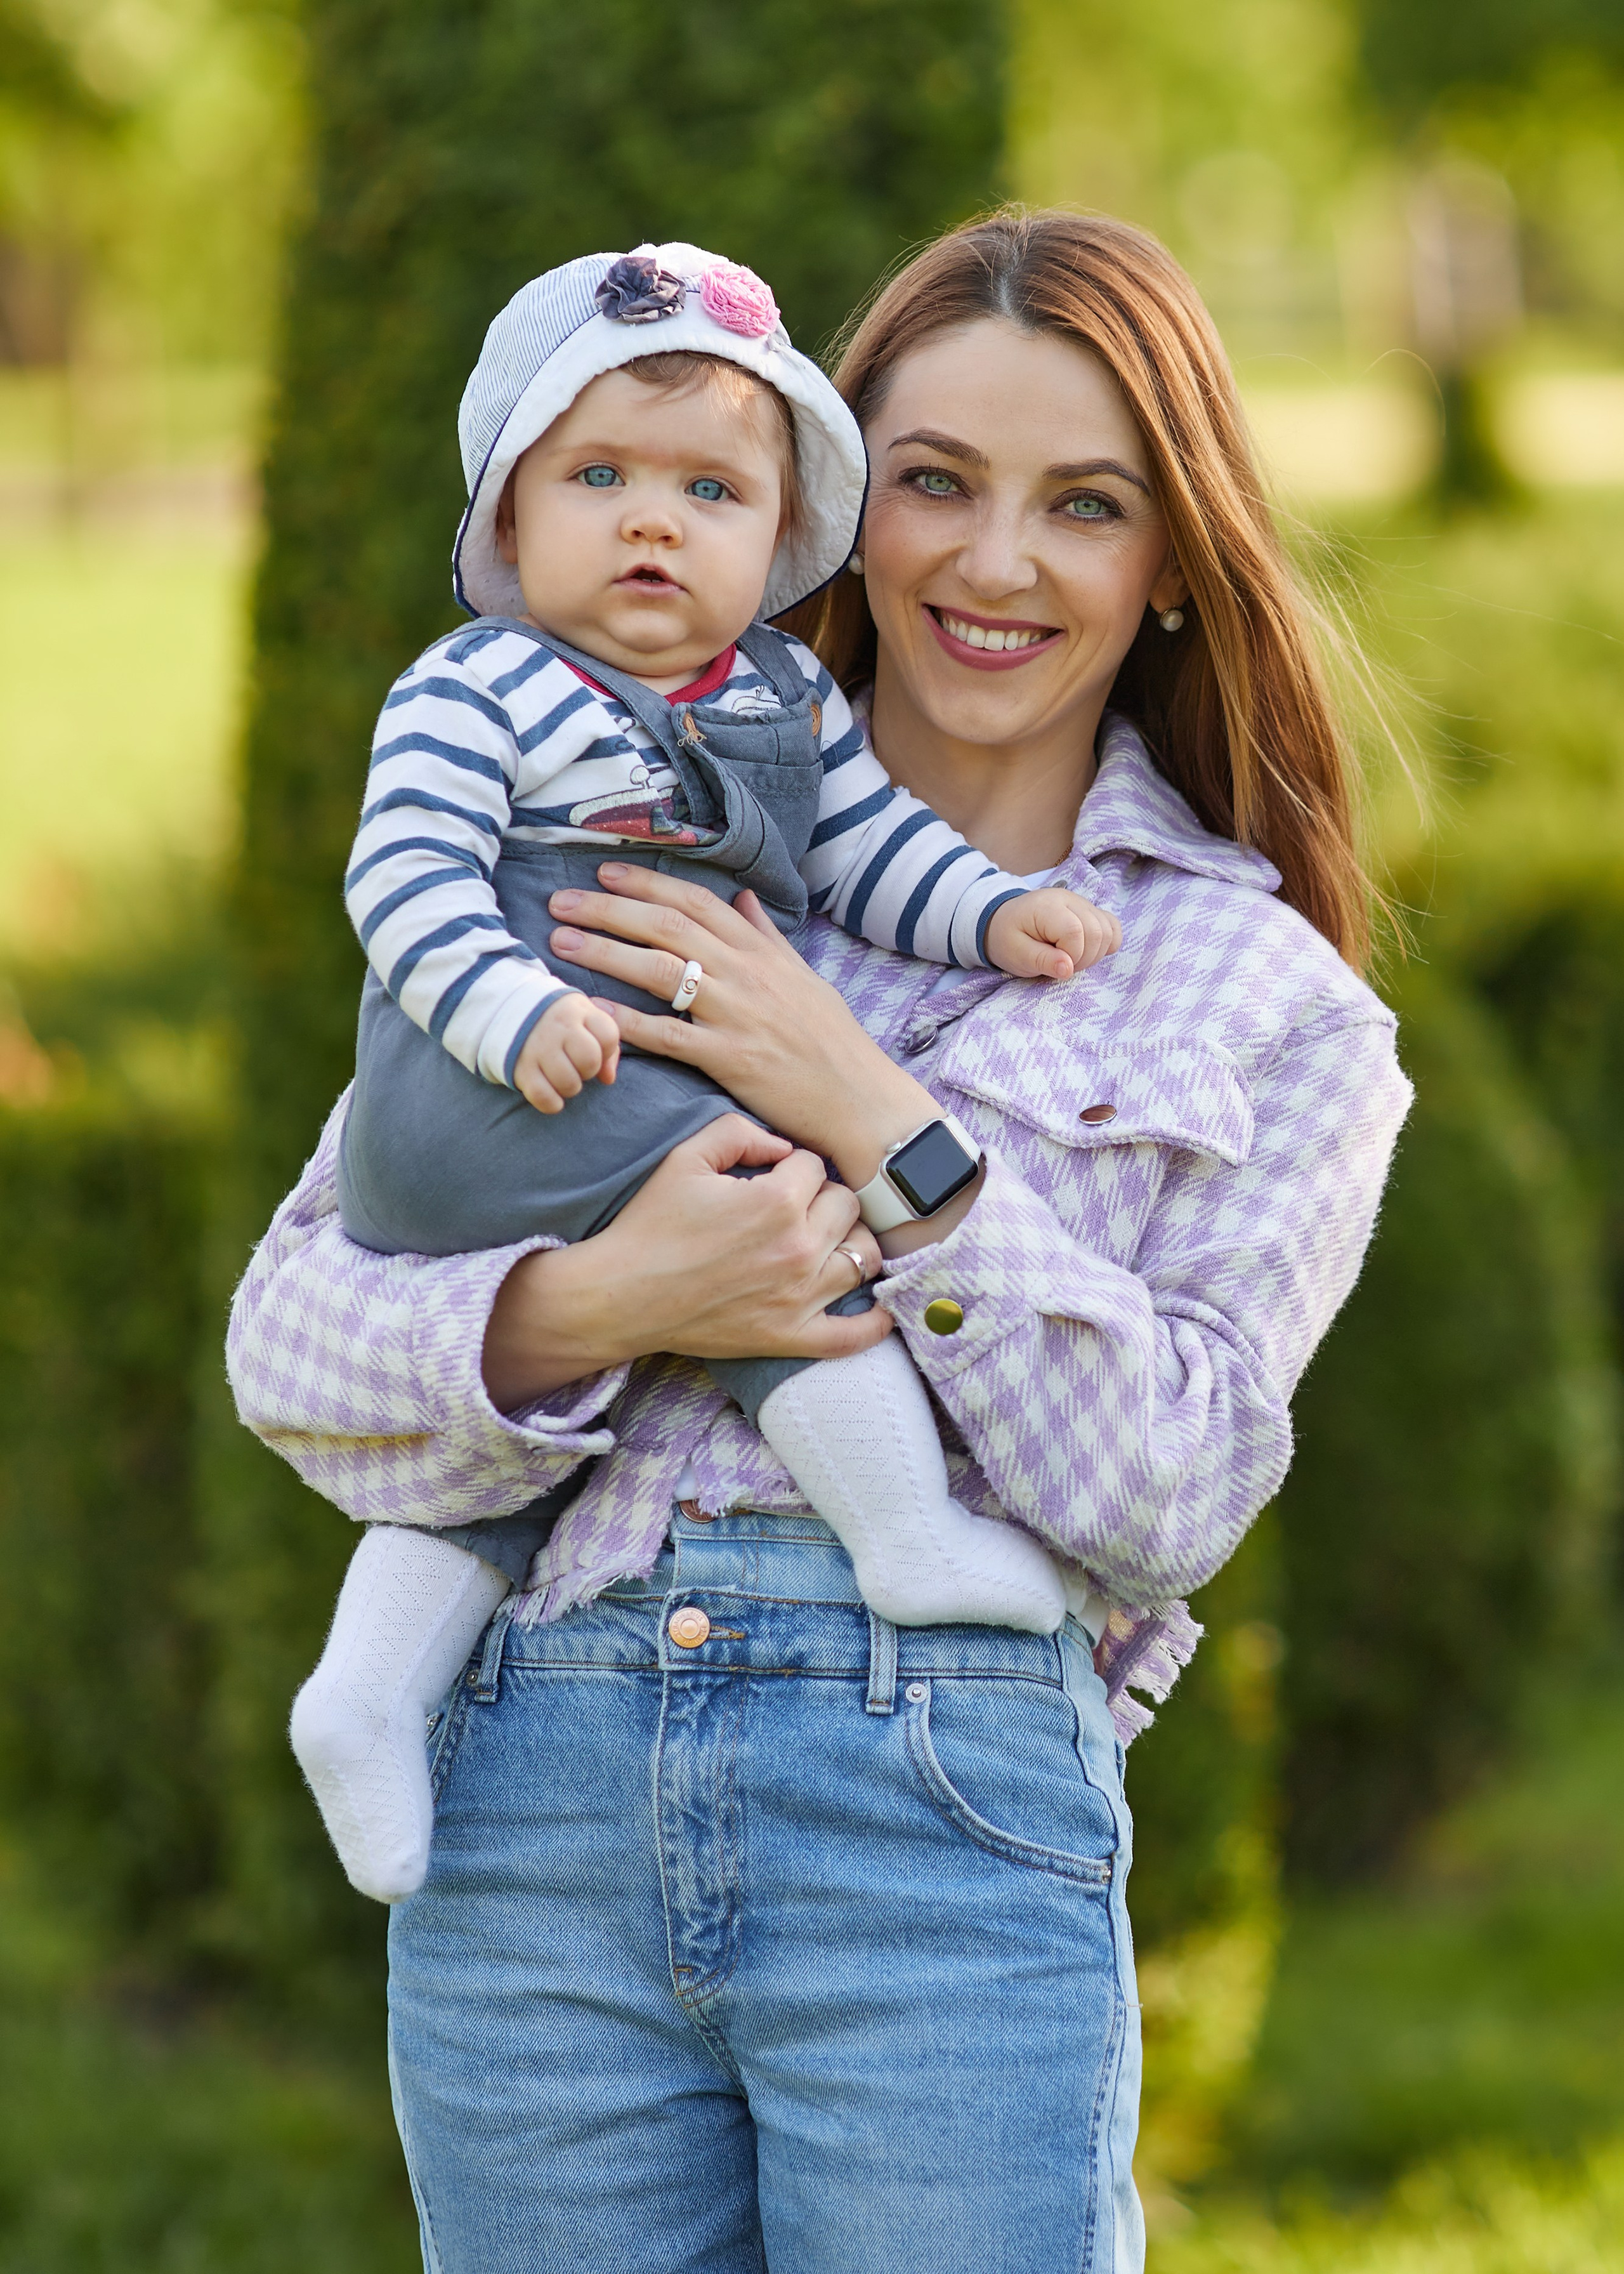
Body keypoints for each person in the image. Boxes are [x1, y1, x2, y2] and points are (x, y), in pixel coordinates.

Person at [228, 209, 1412, 2274]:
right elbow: (293, 1343)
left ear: (1167, 572)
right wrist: (617, 1303)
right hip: (535, 1815)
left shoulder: (1267, 997)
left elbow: (1177, 1489)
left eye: (1087, 505)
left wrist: (872, 1108)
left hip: (939, 1835)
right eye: (937, 484)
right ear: (836, 512)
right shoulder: (598, 837)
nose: (995, 563)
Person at [296, 239, 1126, 1907]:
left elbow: (875, 857)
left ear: (779, 531)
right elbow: (403, 883)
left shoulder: (785, 696)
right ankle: (901, 1531)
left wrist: (991, 918)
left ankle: (369, 1690)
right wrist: (504, 1013)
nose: (653, 521)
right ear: (509, 522)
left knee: (533, 1428)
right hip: (501, 1076)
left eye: (707, 488)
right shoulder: (480, 684)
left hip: (595, 1086)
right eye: (596, 476)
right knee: (784, 1218)